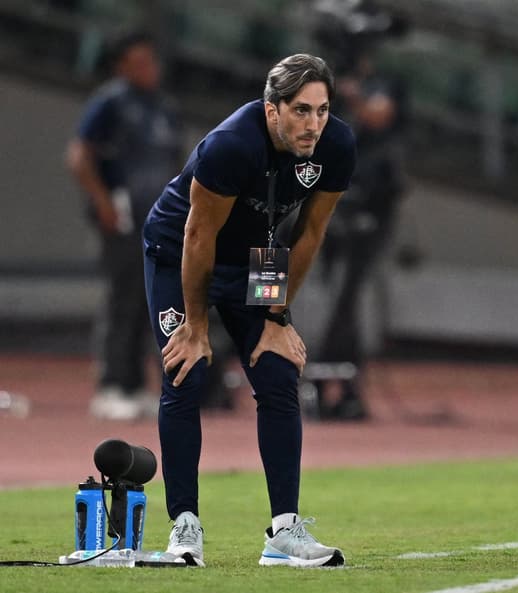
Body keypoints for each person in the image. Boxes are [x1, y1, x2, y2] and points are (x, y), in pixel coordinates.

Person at [142, 54, 355, 567]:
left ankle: (284, 533)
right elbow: (199, 236)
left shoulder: (337, 145)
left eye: (323, 111)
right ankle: (184, 529)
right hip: (181, 254)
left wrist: (278, 319)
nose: (314, 125)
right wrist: (195, 327)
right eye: (301, 111)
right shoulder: (231, 145)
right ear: (272, 108)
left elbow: (308, 235)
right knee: (186, 373)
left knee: (279, 374)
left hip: (260, 258)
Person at [66, 31, 182, 421]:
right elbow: (79, 155)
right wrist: (102, 201)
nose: (149, 70)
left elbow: (176, 165)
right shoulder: (111, 103)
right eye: (139, 63)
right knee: (123, 297)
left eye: (152, 62)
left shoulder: (164, 107)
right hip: (123, 216)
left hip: (159, 219)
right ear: (122, 67)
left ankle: (134, 384)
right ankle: (111, 385)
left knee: (150, 300)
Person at [308, 41, 408, 422]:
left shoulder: (385, 85)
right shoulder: (316, 90)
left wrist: (353, 93)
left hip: (366, 209)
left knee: (345, 301)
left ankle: (334, 381)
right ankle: (324, 382)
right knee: (324, 299)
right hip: (319, 208)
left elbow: (380, 117)